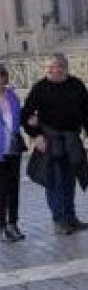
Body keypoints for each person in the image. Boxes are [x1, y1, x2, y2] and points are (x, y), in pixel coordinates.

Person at [21, 53, 88, 235]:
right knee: (54, 181)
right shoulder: (39, 88)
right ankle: (59, 220)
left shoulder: (76, 85)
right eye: (46, 66)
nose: (47, 69)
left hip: (71, 140)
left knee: (69, 180)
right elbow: (26, 115)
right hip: (50, 142)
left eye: (52, 65)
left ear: (63, 68)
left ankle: (70, 218)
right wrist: (36, 135)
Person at [0, 64, 27, 242]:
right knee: (1, 190)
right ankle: (2, 227)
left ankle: (13, 223)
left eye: (2, 76)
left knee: (14, 188)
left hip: (13, 148)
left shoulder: (12, 95)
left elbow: (19, 117)